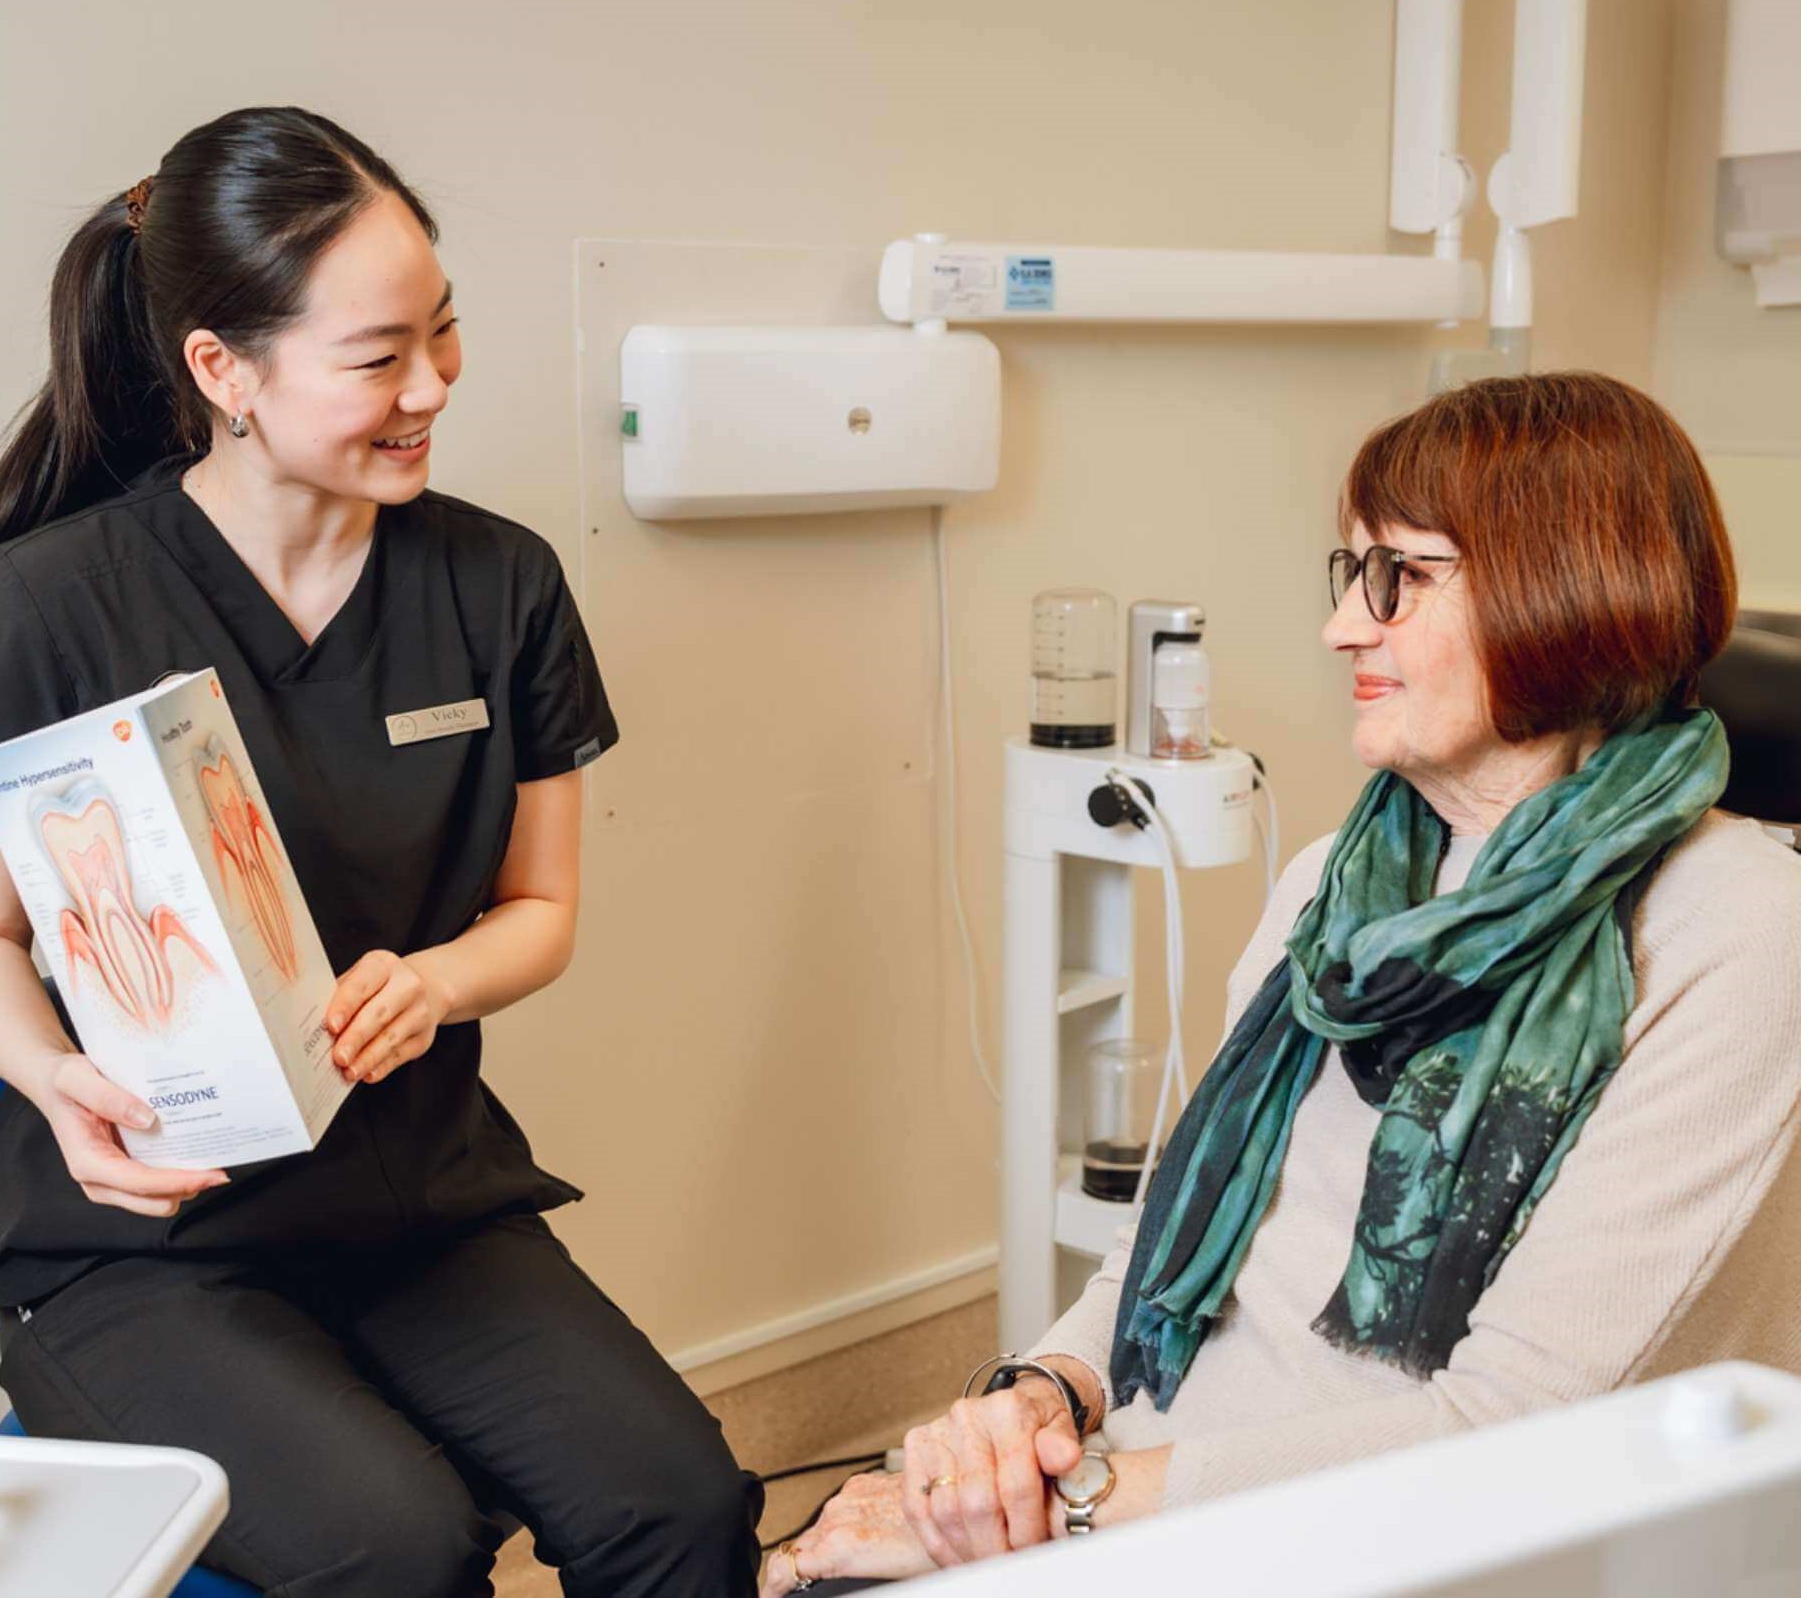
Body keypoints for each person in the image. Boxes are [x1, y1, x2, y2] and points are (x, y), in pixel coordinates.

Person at [764, 372, 1801, 1593]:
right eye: (1346, 574)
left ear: (1563, 588)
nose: (1341, 628)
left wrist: (1067, 1506)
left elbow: (1514, 1420)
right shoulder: (1334, 885)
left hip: (1423, 1541)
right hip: (1160, 1483)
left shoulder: (1734, 926)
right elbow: (1148, 1259)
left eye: (1398, 578)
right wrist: (1032, 1398)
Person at [0, 106, 761, 1598]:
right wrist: (56, 1079)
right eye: (378, 358)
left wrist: (435, 981)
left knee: (681, 1503)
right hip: (141, 1249)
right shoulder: (54, 604)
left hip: (416, 1206)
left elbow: (540, 908)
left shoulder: (500, 584)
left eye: (443, 334)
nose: (431, 385)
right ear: (222, 371)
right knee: (398, 1547)